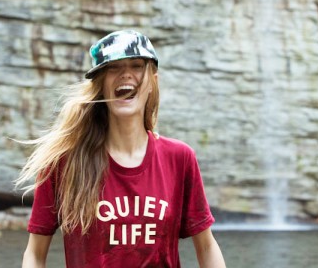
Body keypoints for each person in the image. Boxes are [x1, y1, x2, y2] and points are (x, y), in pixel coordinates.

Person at [17, 30, 226, 268]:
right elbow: (35, 254)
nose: (126, 74)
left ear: (153, 82)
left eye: (136, 66)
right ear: (100, 84)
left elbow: (207, 247)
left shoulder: (179, 158)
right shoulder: (63, 162)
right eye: (113, 68)